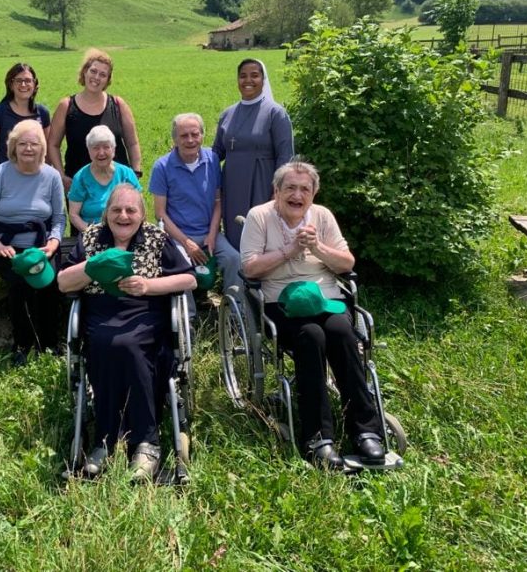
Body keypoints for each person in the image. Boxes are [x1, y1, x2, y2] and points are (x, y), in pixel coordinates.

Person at [240, 160, 385, 470]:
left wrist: (317, 248)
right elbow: (250, 268)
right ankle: (318, 437)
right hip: (281, 301)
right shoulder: (260, 217)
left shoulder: (322, 217)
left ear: (314, 193)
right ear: (276, 191)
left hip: (326, 298)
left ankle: (366, 430)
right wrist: (289, 251)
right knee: (311, 336)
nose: (297, 194)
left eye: (305, 189)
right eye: (290, 188)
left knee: (342, 333)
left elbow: (346, 264)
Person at [58, 184, 196, 480]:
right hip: (101, 311)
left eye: (131, 210)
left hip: (146, 312)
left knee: (130, 346)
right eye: (116, 210)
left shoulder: (157, 239)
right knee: (106, 344)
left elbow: (189, 280)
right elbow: (63, 283)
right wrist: (92, 267)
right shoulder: (91, 238)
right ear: (106, 213)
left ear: (142, 214)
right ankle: (104, 441)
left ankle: (146, 443)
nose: (123, 216)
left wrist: (149, 286)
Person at [0, 120, 66, 363]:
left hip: (40, 245)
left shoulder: (52, 176)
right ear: (13, 147)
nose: (28, 148)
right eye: (22, 143)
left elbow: (59, 218)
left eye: (34, 143)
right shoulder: (0, 174)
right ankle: (22, 344)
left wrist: (54, 243)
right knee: (20, 281)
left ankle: (49, 343)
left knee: (49, 281)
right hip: (4, 244)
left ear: (42, 148)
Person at [150, 113, 240, 314]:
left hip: (210, 233)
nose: (190, 140)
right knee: (180, 264)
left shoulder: (212, 159)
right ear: (174, 139)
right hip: (178, 236)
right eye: (184, 136)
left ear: (202, 135)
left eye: (195, 134)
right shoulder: (162, 166)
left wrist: (212, 234)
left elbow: (218, 201)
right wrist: (186, 243)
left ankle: (234, 313)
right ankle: (187, 318)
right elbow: (160, 214)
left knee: (234, 259)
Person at [214, 58, 294, 248]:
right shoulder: (228, 114)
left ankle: (259, 275)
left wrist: (278, 192)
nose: (248, 80)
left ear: (263, 80)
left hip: (263, 183)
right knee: (234, 230)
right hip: (232, 184)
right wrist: (188, 154)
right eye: (243, 76)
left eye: (254, 75)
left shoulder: (276, 113)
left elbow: (285, 155)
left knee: (260, 233)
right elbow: (217, 151)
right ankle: (237, 275)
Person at [48, 48, 142, 194]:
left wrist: (135, 172)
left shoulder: (118, 104)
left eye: (103, 74)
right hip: (79, 186)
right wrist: (61, 176)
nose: (96, 77)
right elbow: (53, 145)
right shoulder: (66, 106)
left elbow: (132, 143)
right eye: (93, 71)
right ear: (85, 71)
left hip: (117, 184)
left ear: (107, 80)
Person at [0, 63, 51, 194]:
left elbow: (47, 151)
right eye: (18, 80)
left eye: (28, 80)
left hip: (34, 178)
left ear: (34, 84)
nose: (23, 85)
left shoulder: (43, 113)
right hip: (4, 178)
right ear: (11, 85)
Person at [68, 125, 142, 233]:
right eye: (96, 148)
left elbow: (140, 209)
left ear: (114, 149)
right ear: (89, 151)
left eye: (106, 147)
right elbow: (74, 215)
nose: (101, 153)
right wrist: (91, 232)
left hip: (125, 231)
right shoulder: (80, 178)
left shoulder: (126, 174)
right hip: (93, 234)